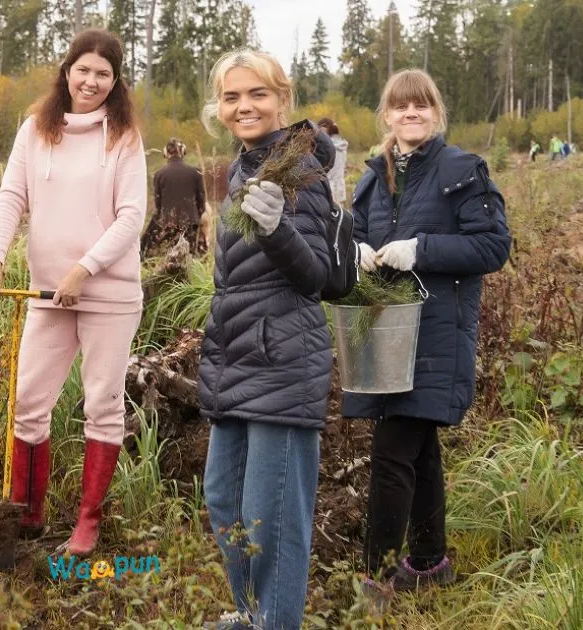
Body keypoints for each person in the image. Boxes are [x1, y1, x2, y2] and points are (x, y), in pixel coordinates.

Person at [0, 28, 147, 557]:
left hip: (107, 294)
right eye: (83, 69)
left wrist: (84, 270)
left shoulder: (124, 137)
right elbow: (10, 198)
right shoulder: (35, 130)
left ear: (115, 83)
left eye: (103, 74)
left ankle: (88, 522)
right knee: (28, 402)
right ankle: (27, 513)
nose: (90, 81)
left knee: (102, 405)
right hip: (47, 293)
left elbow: (132, 216)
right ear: (66, 70)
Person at [345, 69, 510, 602]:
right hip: (385, 331)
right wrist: (355, 253)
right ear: (386, 116)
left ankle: (377, 578)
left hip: (435, 336)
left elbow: (492, 248)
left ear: (436, 113)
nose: (410, 114)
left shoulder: (462, 171)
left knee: (393, 450)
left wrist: (422, 249)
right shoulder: (374, 178)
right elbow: (354, 232)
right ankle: (430, 562)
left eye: (421, 106)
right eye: (400, 107)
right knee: (419, 451)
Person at [197, 49, 336, 630]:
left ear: (282, 99)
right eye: (232, 97)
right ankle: (255, 614)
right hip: (234, 359)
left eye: (257, 94)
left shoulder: (298, 170)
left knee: (270, 520)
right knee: (223, 501)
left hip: (282, 362)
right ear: (219, 108)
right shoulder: (243, 167)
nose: (244, 105)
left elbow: (318, 277)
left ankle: (274, 623)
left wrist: (279, 228)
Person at [142, 138, 206, 255]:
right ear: (183, 152)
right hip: (191, 226)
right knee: (195, 257)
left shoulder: (159, 174)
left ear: (165, 153)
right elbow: (201, 204)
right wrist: (196, 219)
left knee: (167, 258)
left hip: (168, 227)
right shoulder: (195, 172)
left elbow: (159, 207)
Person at [317, 117, 349, 207]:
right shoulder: (343, 147)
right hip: (340, 190)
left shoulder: (326, 148)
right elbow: (344, 169)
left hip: (327, 191)